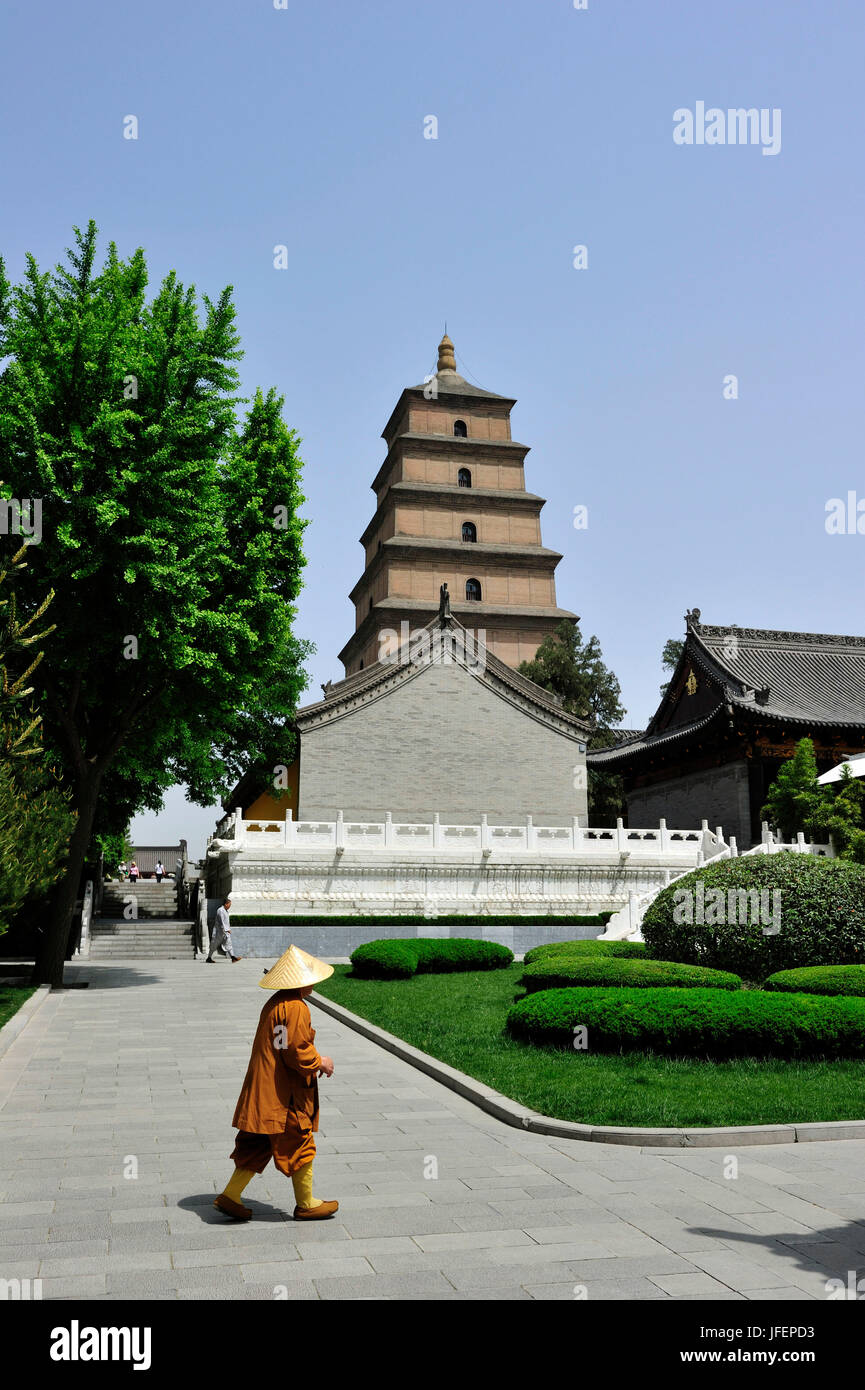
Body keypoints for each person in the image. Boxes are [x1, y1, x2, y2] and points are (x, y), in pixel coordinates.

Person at [214, 945, 337, 1222]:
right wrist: (322, 1062)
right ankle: (306, 1203)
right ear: (301, 981)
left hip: (264, 1092)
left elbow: (284, 1047)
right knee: (301, 1142)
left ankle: (230, 1196)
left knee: (257, 1144)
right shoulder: (296, 1008)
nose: (314, 982)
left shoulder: (276, 1003)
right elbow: (295, 1051)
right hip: (284, 1096)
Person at [206, 897, 242, 963]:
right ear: (226, 904)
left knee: (229, 943)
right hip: (218, 932)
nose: (230, 906)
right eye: (229, 905)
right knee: (214, 945)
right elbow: (221, 920)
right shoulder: (220, 910)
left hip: (224, 932)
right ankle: (209, 958)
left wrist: (227, 929)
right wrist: (227, 929)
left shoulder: (225, 911)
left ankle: (233, 957)